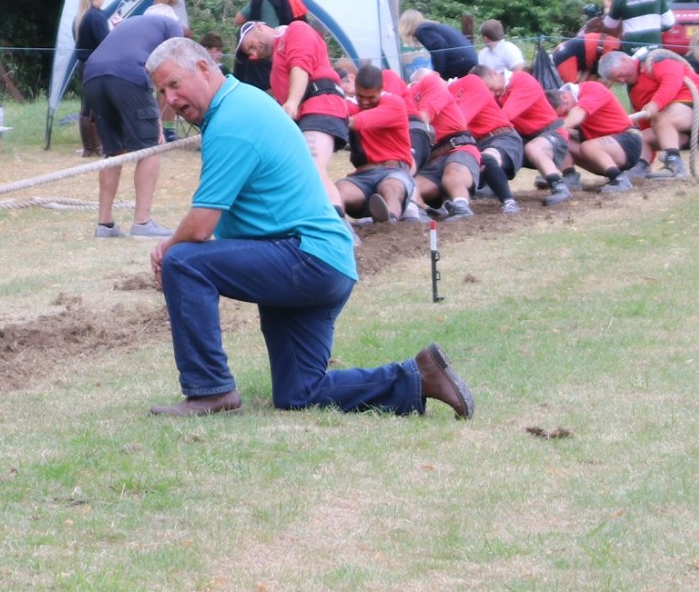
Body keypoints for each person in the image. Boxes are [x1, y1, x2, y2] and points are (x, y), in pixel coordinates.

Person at [141, 37, 475, 420]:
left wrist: (166, 248)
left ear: (203, 68)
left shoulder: (232, 118)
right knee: (300, 391)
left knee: (183, 260)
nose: (170, 99)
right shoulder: (241, 102)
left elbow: (200, 227)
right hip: (325, 262)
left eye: (173, 84)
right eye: (161, 91)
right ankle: (419, 377)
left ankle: (209, 391)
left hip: (305, 260)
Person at [80, 10, 182, 238]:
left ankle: (104, 225)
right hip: (127, 74)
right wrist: (158, 121)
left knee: (114, 150)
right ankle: (143, 223)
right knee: (150, 148)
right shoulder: (171, 24)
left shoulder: (131, 23)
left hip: (92, 74)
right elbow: (171, 71)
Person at [235, 21, 348, 211]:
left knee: (311, 167)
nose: (254, 54)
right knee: (290, 173)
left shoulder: (295, 30)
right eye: (249, 53)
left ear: (260, 26)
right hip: (303, 117)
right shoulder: (275, 67)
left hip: (322, 105)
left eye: (251, 45)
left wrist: (293, 102)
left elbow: (300, 65)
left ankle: (339, 226)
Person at [598, 50, 699, 179]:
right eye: (618, 80)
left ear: (625, 60)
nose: (622, 80)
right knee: (639, 136)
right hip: (678, 125)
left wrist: (655, 104)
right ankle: (642, 166)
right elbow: (646, 124)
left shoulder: (655, 61)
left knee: (661, 118)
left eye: (620, 75)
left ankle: (674, 164)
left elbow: (672, 81)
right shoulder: (634, 91)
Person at [339, 65, 419, 225]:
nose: (366, 102)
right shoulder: (349, 106)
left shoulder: (394, 103)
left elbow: (361, 121)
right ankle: (340, 226)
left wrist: (338, 119)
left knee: (390, 188)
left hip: (394, 171)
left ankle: (389, 219)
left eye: (371, 97)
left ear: (382, 89)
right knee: (336, 192)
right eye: (361, 96)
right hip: (362, 176)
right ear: (355, 88)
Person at [485, 64, 572, 205]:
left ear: (495, 74)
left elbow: (504, 116)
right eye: (486, 90)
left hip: (552, 134)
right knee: (496, 148)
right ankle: (492, 184)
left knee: (532, 148)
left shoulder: (523, 81)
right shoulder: (498, 92)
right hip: (526, 137)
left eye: (489, 88)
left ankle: (559, 185)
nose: (490, 93)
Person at [408, 67, 480, 220]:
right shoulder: (410, 99)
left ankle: (461, 207)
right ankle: (428, 211)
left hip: (459, 148)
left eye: (418, 87)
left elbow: (423, 119)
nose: (417, 92)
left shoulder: (434, 85)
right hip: (433, 160)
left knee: (453, 174)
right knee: (409, 187)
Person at [450, 70, 523, 212]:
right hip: (479, 142)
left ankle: (509, 202)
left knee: (486, 158)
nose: (493, 94)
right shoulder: (449, 93)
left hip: (502, 136)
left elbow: (460, 121)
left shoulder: (471, 82)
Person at [556, 80, 641, 191]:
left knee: (586, 146)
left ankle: (619, 180)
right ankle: (569, 176)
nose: (565, 114)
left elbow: (578, 114)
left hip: (628, 142)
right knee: (558, 139)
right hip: (601, 152)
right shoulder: (568, 104)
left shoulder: (592, 88)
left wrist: (559, 127)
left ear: (564, 97)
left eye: (565, 111)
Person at [73, 0, 112, 155]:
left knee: (87, 104)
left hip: (84, 65)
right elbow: (105, 43)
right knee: (95, 106)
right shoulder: (96, 17)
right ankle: (94, 147)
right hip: (95, 65)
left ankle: (90, 147)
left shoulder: (80, 16)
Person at [603, 0, 674, 50]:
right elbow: (669, 22)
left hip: (632, 50)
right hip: (654, 48)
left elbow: (610, 24)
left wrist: (608, 8)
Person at [399, 10, 478, 80]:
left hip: (460, 62)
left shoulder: (421, 30)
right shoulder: (431, 27)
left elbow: (439, 47)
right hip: (466, 59)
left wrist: (437, 72)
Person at [551, 29, 624, 85]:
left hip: (569, 51)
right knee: (573, 92)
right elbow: (605, 81)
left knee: (582, 89)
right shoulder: (612, 47)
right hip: (566, 56)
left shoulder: (613, 44)